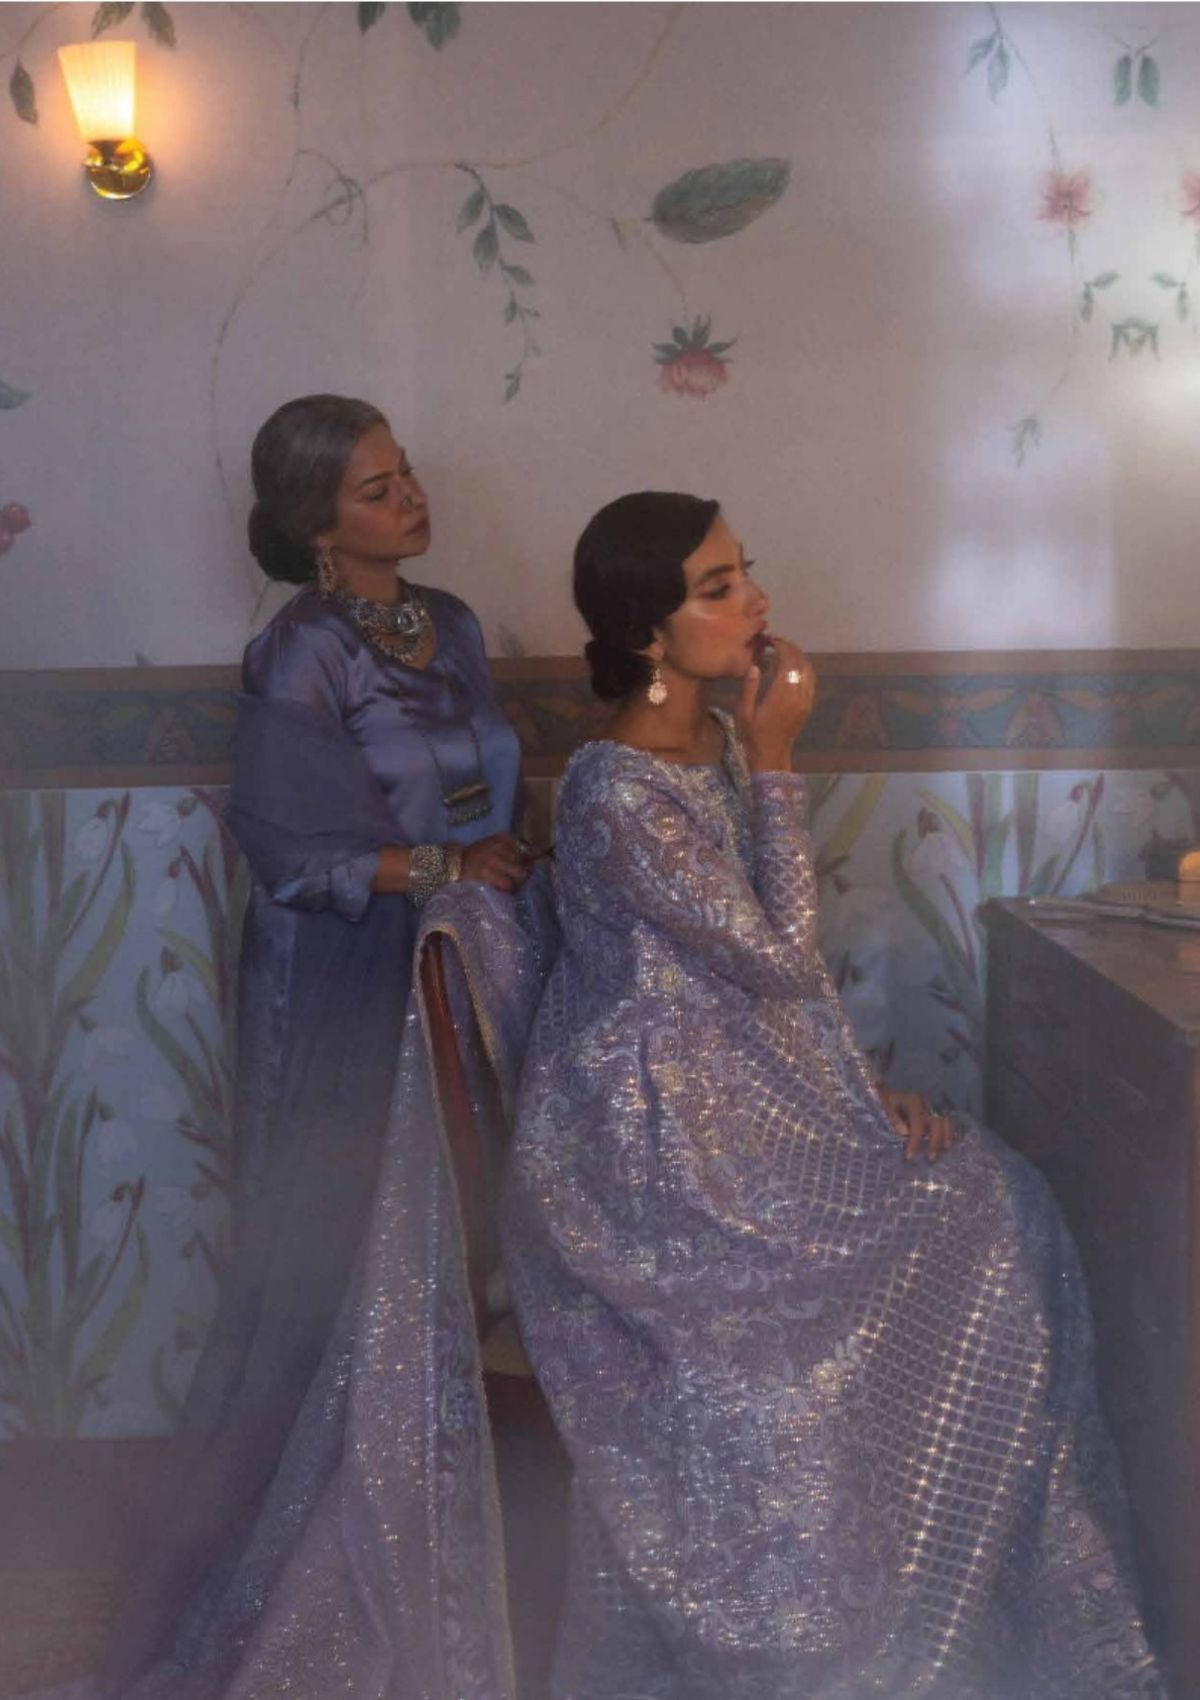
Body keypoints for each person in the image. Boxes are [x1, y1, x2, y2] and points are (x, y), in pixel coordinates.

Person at [501, 492, 1165, 1700]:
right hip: (647, 1145)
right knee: (968, 1215)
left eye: (744, 571)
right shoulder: (615, 790)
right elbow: (778, 959)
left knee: (994, 1193)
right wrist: (784, 758)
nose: (756, 601)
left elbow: (769, 999)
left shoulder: (708, 739)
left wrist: (862, 1093)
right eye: (717, 588)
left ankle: (951, 1584)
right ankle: (842, 1615)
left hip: (742, 1094)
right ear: (649, 634)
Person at [94, 395, 533, 1699]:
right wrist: (447, 866)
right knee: (327, 1258)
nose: (410, 499)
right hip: (337, 975)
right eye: (376, 489)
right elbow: (291, 853)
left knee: (450, 1247)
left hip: (450, 955)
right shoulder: (298, 651)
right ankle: (280, 1571)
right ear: (315, 524)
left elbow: (485, 789)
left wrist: (485, 880)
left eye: (407, 474)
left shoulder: (452, 623)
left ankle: (425, 1536)